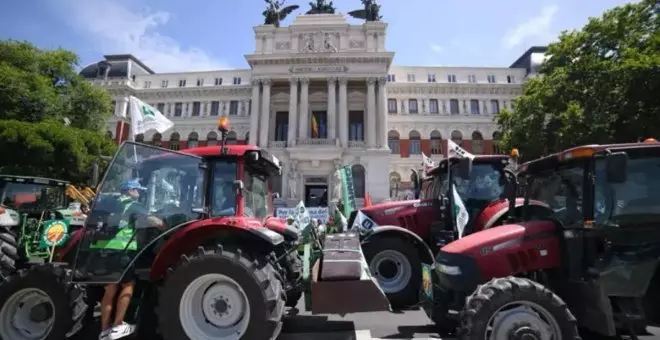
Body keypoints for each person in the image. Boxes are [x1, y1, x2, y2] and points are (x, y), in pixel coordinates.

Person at [94, 179, 163, 340]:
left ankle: (104, 330)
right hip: (121, 250)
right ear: (130, 191)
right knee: (128, 285)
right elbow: (152, 221)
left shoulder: (109, 202)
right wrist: (163, 224)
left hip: (104, 249)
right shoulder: (132, 205)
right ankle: (118, 325)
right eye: (137, 190)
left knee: (110, 290)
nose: (139, 193)